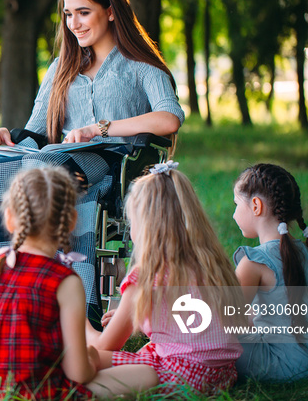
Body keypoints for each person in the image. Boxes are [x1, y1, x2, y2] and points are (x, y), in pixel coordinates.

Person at [0, 0, 185, 319]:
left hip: (114, 163)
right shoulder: (62, 68)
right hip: (57, 158)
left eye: (83, 12)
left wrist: (99, 129)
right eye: (68, 13)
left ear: (110, 11)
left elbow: (169, 118)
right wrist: (8, 137)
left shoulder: (140, 65)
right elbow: (36, 131)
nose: (74, 23)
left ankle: (62, 303)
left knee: (49, 168)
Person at [85, 162, 243, 396]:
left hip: (179, 374)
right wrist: (133, 315)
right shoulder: (211, 264)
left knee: (87, 366)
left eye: (132, 223)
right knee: (97, 359)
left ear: (146, 227)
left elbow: (104, 345)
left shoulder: (146, 276)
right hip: (221, 375)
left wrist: (79, 318)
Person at [0, 166, 99, 399]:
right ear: (72, 222)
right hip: (31, 394)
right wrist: (92, 360)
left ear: (9, 219)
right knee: (144, 374)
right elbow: (78, 374)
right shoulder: (64, 281)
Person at [232, 163, 308, 381]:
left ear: (256, 205)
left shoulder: (253, 261)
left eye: (236, 204)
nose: (234, 213)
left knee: (213, 339)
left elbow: (225, 320)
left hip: (290, 365)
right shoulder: (305, 250)